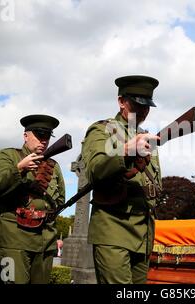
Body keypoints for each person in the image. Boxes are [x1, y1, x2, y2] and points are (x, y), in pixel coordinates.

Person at [82, 75, 162, 284]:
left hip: (143, 232)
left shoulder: (146, 137)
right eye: (137, 104)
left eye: (147, 106)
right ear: (121, 102)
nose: (143, 110)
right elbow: (95, 169)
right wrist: (126, 150)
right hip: (113, 228)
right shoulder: (103, 129)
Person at [0, 114, 65, 284]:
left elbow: (60, 200)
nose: (43, 140)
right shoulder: (9, 156)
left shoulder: (53, 165)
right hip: (13, 237)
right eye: (39, 135)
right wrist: (19, 168)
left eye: (47, 136)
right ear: (26, 135)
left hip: (45, 239)